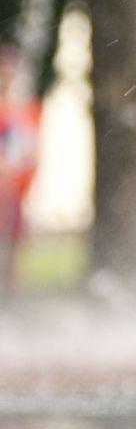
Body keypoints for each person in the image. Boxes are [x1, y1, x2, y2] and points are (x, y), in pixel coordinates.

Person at [0, 46, 40, 297]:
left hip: (13, 192)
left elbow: (28, 154)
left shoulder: (24, 111)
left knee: (14, 244)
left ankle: (11, 294)